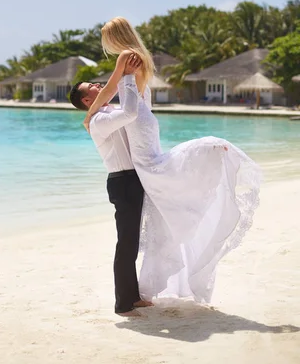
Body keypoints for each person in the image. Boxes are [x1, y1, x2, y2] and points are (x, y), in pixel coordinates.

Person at [83, 17, 262, 305]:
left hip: (140, 148)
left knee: (152, 218)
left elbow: (111, 92)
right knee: (166, 187)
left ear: (116, 38)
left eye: (107, 41)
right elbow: (122, 98)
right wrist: (94, 112)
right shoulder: (138, 62)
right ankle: (129, 297)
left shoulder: (127, 60)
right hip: (141, 144)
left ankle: (129, 296)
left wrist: (91, 111)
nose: (108, 48)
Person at [69, 53, 153, 317]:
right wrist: (124, 74)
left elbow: (139, 106)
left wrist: (138, 76)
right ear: (87, 100)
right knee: (126, 244)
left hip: (134, 179)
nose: (98, 85)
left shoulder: (109, 111)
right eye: (92, 87)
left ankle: (133, 296)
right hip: (122, 182)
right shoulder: (98, 121)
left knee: (133, 242)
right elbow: (130, 111)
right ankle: (122, 303)